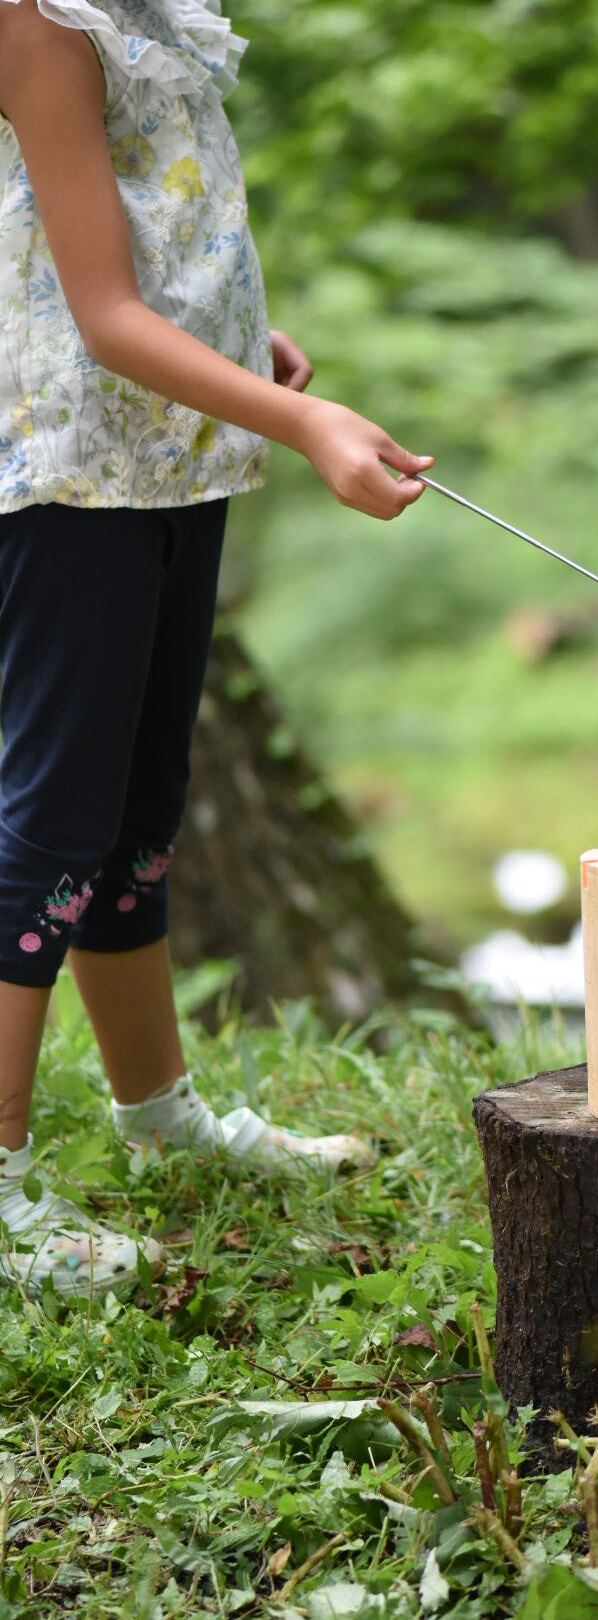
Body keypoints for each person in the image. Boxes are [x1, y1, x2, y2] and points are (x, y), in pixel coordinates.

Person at [0, 0, 435, 1296]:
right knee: (50, 819)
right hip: (76, 469)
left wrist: (244, 346)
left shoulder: (142, 14)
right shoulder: (39, 26)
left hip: (170, 460)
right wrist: (303, 427)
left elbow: (157, 218)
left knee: (138, 809)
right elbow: (105, 316)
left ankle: (158, 1110)